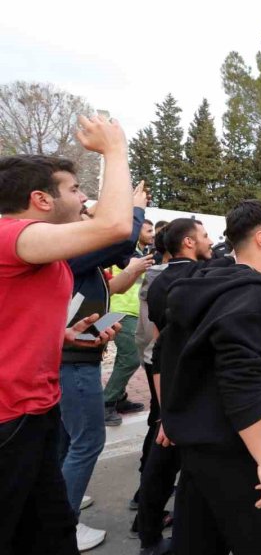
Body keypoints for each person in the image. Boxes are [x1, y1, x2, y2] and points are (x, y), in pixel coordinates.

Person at [0, 115, 133, 555]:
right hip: (8, 422)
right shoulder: (10, 234)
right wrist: (114, 151)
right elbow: (115, 226)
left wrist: (62, 336)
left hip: (36, 412)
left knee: (51, 534)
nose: (83, 198)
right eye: (74, 189)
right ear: (39, 199)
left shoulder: (44, 251)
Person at [158, 201, 261, 555]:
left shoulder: (207, 283)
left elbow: (167, 354)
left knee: (196, 543)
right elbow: (241, 383)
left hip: (198, 446)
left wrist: (170, 414)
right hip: (236, 451)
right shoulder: (252, 298)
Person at [59, 180, 147, 551]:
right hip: (73, 364)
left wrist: (102, 325)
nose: (85, 201)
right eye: (77, 193)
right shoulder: (68, 246)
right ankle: (65, 524)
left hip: (79, 355)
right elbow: (119, 240)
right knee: (88, 441)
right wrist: (135, 208)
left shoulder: (78, 256)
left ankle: (63, 497)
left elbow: (109, 289)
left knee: (66, 440)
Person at [136, 218, 215, 555]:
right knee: (191, 467)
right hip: (192, 389)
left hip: (164, 383)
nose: (210, 242)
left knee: (161, 458)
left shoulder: (157, 283)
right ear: (188, 242)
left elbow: (157, 348)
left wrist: (164, 407)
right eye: (205, 236)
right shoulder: (204, 278)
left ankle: (148, 533)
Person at [103, 218, 156, 425]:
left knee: (125, 357)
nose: (152, 234)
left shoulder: (143, 253)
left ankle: (118, 398)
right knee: (132, 357)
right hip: (119, 311)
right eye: (148, 230)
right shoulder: (125, 251)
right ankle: (106, 402)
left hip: (131, 311)